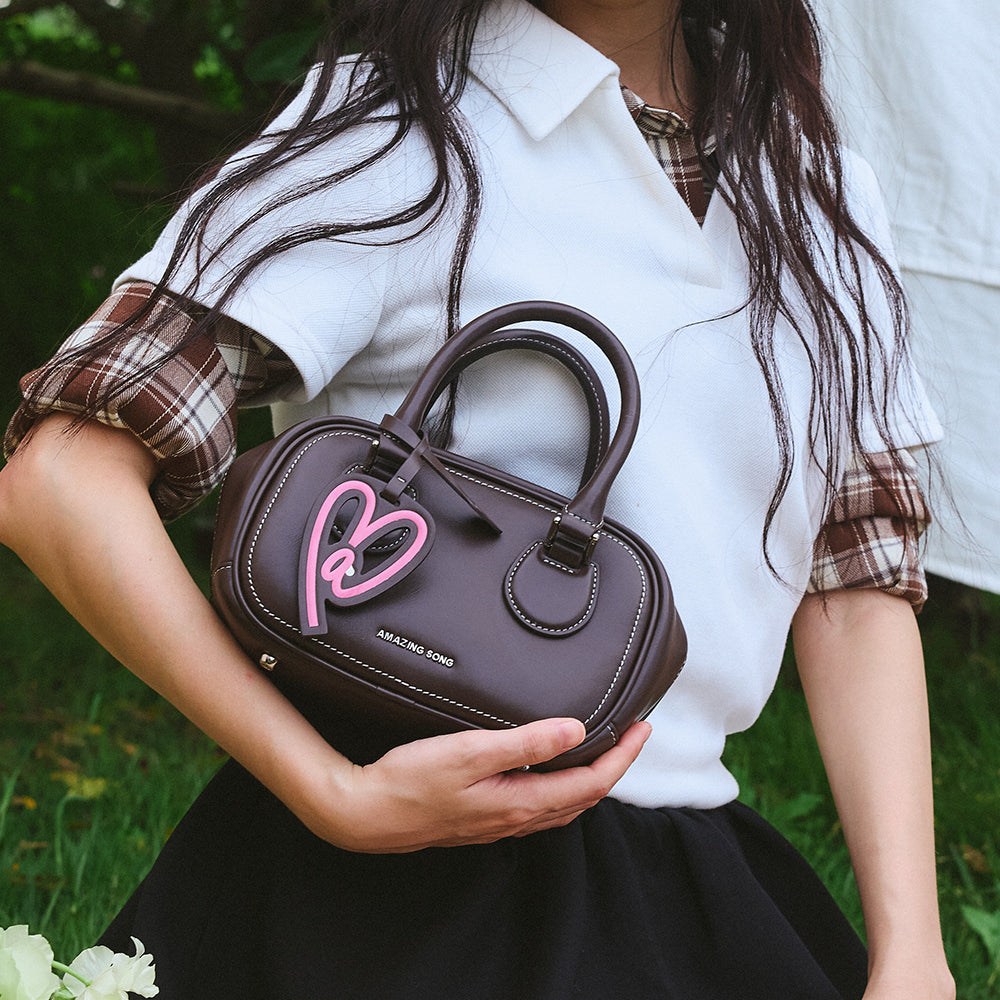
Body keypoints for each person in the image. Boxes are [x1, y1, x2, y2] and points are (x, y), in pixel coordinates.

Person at [0, 1, 956, 997]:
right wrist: (328, 788)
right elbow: (61, 478)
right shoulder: (392, 133)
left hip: (691, 875)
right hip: (388, 893)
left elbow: (855, 582)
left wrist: (911, 951)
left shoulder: (816, 189)